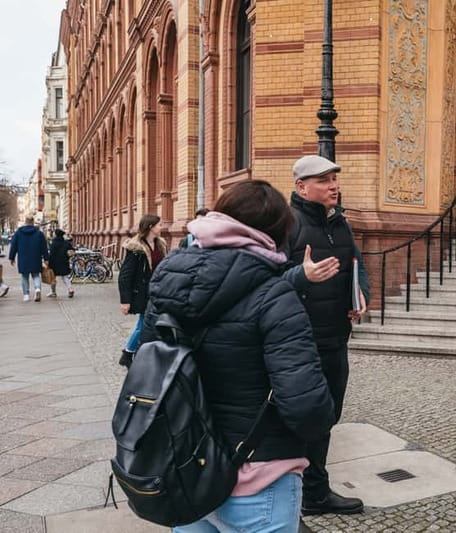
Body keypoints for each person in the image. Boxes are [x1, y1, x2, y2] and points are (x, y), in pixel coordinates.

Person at [139, 180, 336, 533]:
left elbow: (149, 369)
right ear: (277, 233)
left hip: (186, 470)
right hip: (258, 476)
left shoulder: (168, 281)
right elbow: (306, 406)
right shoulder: (275, 295)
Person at [284, 154, 369, 516]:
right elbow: (264, 283)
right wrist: (301, 276)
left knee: (327, 417)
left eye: (334, 178)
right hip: (299, 343)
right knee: (300, 419)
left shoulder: (340, 224)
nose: (334, 185)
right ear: (302, 187)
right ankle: (291, 493)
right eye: (324, 180)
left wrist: (361, 292)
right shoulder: (287, 224)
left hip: (336, 339)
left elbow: (356, 266)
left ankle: (315, 493)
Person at [117, 214, 167, 368]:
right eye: (159, 225)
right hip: (142, 293)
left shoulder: (160, 244)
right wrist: (125, 301)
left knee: (149, 324)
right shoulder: (136, 248)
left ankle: (138, 353)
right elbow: (125, 276)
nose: (162, 227)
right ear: (151, 227)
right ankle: (127, 353)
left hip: (157, 291)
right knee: (143, 324)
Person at [8, 216, 49, 302]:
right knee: (36, 275)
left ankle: (26, 295)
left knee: (24, 276)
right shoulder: (39, 233)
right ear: (33, 222)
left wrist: (12, 257)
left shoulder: (19, 232)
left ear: (25, 222)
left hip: (23, 258)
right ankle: (37, 289)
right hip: (36, 257)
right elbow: (44, 247)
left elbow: (14, 245)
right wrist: (46, 258)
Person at [47, 229, 75, 298]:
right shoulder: (66, 242)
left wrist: (48, 262)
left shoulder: (53, 243)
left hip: (54, 263)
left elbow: (51, 254)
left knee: (53, 278)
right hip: (64, 262)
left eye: (54, 233)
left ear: (56, 234)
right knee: (65, 277)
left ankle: (53, 292)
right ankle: (70, 289)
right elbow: (72, 250)